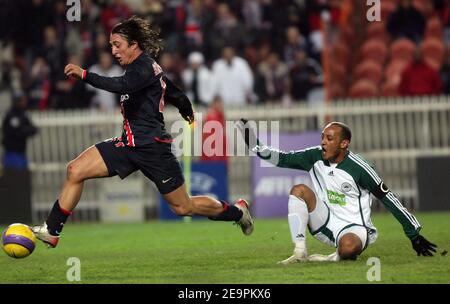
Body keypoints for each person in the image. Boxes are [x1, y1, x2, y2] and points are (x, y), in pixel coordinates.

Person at [32, 16, 253, 248]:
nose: (113, 51)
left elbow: (122, 86)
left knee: (182, 207)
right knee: (75, 170)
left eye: (117, 45)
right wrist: (186, 110)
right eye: (111, 46)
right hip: (128, 144)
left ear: (133, 45)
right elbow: (174, 92)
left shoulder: (143, 67)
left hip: (152, 147)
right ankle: (52, 230)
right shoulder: (143, 68)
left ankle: (237, 212)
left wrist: (86, 75)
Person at [237, 119, 436, 263]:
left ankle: (332, 257)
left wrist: (413, 234)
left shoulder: (360, 168)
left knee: (349, 248)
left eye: (329, 138)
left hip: (354, 227)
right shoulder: (313, 156)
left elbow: (389, 199)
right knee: (299, 190)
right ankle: (299, 252)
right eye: (323, 137)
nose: (323, 142)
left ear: (343, 144)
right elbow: (280, 158)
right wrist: (254, 145)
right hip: (325, 222)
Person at [1, 91, 38, 169]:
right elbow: (16, 131)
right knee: (13, 174)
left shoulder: (22, 114)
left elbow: (32, 129)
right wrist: (25, 130)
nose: (24, 102)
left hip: (20, 151)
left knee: (21, 174)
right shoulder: (11, 115)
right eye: (22, 100)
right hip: (12, 151)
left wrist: (25, 130)